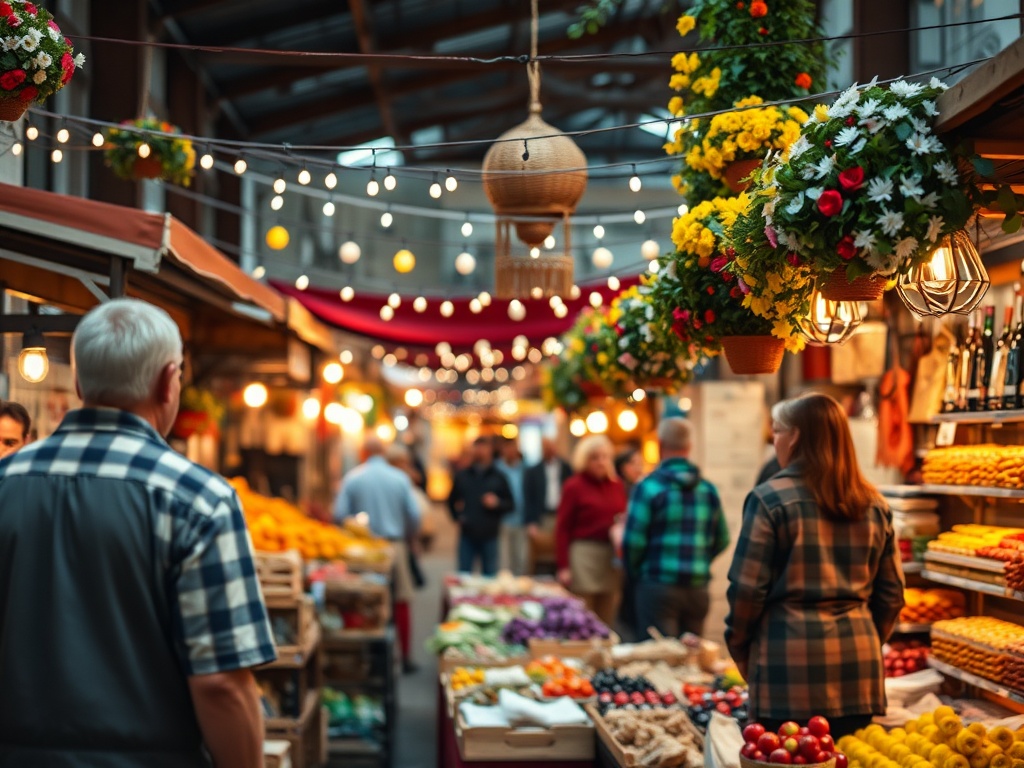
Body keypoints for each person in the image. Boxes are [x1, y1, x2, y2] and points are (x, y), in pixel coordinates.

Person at [0, 298, 275, 768]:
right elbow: (222, 685)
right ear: (169, 382)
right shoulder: (200, 500)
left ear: (81, 382)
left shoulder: (7, 482)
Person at [725, 393, 905, 739]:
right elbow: (893, 595)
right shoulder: (873, 503)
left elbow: (747, 590)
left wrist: (740, 647)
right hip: (858, 666)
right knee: (851, 760)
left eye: (777, 431)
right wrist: (867, 636)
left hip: (786, 666)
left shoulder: (769, 499)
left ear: (796, 437)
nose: (774, 440)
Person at [622, 418, 729, 638]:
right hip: (698, 588)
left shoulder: (649, 487)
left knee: (659, 659)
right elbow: (723, 539)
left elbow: (633, 542)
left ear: (660, 445)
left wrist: (638, 572)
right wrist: (699, 561)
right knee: (691, 664)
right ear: (689, 447)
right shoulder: (708, 490)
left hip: (658, 587)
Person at [335, 436, 422, 673]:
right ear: (382, 453)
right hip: (396, 544)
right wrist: (408, 535)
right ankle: (405, 657)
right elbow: (414, 515)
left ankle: (369, 659)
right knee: (402, 600)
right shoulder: (399, 478)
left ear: (363, 453)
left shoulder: (353, 478)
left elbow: (339, 514)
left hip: (363, 551)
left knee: (365, 600)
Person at [555, 435, 627, 625]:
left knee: (607, 612)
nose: (601, 462)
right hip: (583, 554)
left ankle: (604, 652)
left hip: (609, 556)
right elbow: (562, 528)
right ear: (585, 459)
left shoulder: (616, 485)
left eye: (605, 457)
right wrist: (563, 566)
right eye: (595, 457)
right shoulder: (574, 486)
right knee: (583, 614)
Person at [448, 436, 514, 576]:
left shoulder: (498, 476)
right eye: (477, 448)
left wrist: (497, 503)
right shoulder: (463, 475)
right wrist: (457, 517)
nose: (480, 451)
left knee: (489, 576)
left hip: (489, 534)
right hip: (468, 533)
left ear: (490, 450)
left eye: (484, 448)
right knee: (464, 575)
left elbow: (510, 504)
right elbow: (451, 500)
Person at [523, 437, 571, 573]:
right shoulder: (533, 471)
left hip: (560, 514)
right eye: (546, 447)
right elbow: (529, 498)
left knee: (559, 551)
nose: (550, 450)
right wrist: (531, 521)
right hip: (542, 516)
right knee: (540, 554)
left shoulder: (565, 468)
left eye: (552, 446)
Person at [495, 436, 527, 575]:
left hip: (521, 518)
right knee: (504, 558)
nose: (511, 451)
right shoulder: (496, 469)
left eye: (513, 448)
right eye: (508, 448)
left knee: (520, 557)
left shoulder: (525, 468)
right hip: (503, 518)